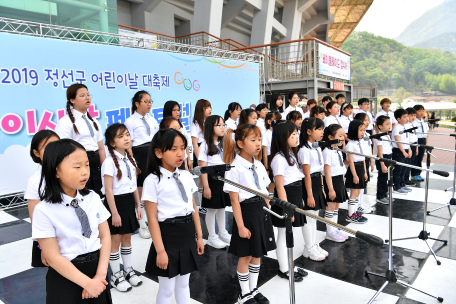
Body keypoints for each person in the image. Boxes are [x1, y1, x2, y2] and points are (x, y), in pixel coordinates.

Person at [32, 139, 112, 303]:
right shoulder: (44, 210)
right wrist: (87, 283)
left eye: (87, 165)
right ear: (56, 171)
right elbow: (53, 257)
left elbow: (105, 236)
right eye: (77, 166)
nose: (85, 172)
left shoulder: (93, 198)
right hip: (66, 276)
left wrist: (100, 275)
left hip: (98, 270)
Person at [142, 129, 204, 304]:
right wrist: (160, 251)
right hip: (167, 236)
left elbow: (193, 208)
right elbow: (152, 218)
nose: (180, 153)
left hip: (186, 233)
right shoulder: (152, 181)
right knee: (167, 287)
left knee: (184, 283)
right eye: (173, 149)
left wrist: (199, 236)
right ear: (159, 152)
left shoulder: (185, 175)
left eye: (183, 148)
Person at [223, 124, 275, 304]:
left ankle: (253, 288)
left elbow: (266, 191)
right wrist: (241, 226)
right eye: (253, 140)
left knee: (257, 254)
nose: (258, 144)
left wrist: (268, 212)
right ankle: (244, 293)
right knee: (245, 255)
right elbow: (235, 201)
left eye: (259, 140)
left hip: (261, 212)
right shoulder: (234, 168)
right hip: (246, 215)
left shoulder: (259, 164)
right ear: (240, 143)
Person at [101, 123, 143, 292]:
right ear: (112, 143)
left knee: (127, 238)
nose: (126, 138)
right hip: (115, 205)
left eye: (127, 134)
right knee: (115, 240)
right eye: (120, 136)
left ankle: (127, 269)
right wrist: (114, 213)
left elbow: (133, 186)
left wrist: (138, 206)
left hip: (128, 203)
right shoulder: (109, 162)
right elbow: (108, 190)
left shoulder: (130, 160)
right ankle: (115, 275)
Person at [270, 121, 310, 277]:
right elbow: (279, 186)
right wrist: (287, 207)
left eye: (296, 134)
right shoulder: (279, 159)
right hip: (285, 197)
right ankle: (284, 268)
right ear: (282, 137)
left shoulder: (290, 153)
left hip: (294, 194)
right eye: (292, 135)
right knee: (283, 234)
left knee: (290, 234)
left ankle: (289, 265)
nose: (296, 137)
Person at [55, 83, 105, 196]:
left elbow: (101, 149)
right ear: (72, 100)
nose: (87, 98)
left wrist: (105, 170)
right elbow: (64, 151)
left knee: (98, 199)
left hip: (96, 169)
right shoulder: (65, 121)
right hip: (79, 168)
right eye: (82, 95)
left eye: (88, 95)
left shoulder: (94, 121)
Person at [124, 90, 159, 239]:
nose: (149, 104)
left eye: (150, 101)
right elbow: (129, 144)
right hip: (139, 156)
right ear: (137, 104)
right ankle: (142, 225)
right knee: (140, 192)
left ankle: (154, 222)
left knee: (153, 189)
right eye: (146, 101)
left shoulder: (152, 119)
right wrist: (133, 161)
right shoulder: (130, 121)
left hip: (153, 155)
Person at [25, 130, 60, 268]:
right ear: (36, 153)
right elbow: (35, 218)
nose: (54, 150)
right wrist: (44, 247)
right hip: (52, 237)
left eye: (57, 145)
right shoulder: (34, 181)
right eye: (47, 147)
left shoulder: (71, 171)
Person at [199, 115, 232, 249]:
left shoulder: (223, 143)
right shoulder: (205, 145)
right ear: (210, 128)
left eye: (223, 125)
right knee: (212, 209)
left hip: (223, 179)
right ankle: (212, 236)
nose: (222, 127)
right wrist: (206, 187)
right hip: (212, 180)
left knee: (222, 207)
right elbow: (203, 168)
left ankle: (222, 232)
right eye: (219, 125)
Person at [298, 118, 328, 261]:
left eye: (322, 129)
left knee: (314, 217)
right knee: (308, 219)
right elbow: (306, 175)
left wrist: (321, 188)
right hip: (308, 184)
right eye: (319, 129)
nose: (322, 132)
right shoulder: (304, 150)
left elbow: (319, 171)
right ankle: (309, 247)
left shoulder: (317, 147)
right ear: (309, 131)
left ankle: (312, 245)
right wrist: (309, 195)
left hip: (316, 182)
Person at [321, 124, 349, 242]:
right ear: (330, 137)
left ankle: (335, 228)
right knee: (331, 206)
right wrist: (331, 189)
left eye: (343, 135)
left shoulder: (336, 150)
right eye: (340, 135)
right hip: (331, 182)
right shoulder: (327, 151)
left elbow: (341, 167)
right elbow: (327, 172)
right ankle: (330, 231)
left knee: (337, 206)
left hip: (339, 180)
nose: (343, 138)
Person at [345, 120, 368, 223]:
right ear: (354, 130)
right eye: (360, 130)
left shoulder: (360, 142)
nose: (363, 132)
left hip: (360, 168)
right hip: (354, 169)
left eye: (364, 130)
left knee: (358, 192)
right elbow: (351, 161)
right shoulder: (350, 144)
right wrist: (354, 175)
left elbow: (363, 158)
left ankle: (355, 212)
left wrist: (365, 172)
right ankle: (350, 214)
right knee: (354, 193)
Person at [191, 99, 212, 212]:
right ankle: (202, 205)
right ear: (200, 110)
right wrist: (199, 158)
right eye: (207, 108)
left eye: (210, 107)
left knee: (208, 179)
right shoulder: (196, 124)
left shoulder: (209, 122)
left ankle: (207, 203)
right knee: (202, 180)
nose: (210, 110)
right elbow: (194, 142)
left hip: (209, 151)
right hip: (200, 151)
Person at [353, 113, 374, 215]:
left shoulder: (367, 135)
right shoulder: (358, 138)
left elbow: (369, 150)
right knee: (359, 185)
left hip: (365, 159)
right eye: (364, 120)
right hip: (360, 160)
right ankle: (358, 204)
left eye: (368, 120)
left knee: (363, 183)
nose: (367, 122)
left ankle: (360, 202)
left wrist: (371, 161)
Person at [163, 100, 193, 170]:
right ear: (168, 111)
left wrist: (188, 160)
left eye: (178, 110)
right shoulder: (164, 126)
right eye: (174, 110)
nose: (177, 112)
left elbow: (185, 145)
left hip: (182, 160)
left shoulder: (182, 125)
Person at [392, 109, 412, 194]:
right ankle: (396, 187)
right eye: (404, 117)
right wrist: (403, 151)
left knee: (404, 169)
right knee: (398, 169)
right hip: (399, 151)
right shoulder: (397, 128)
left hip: (406, 149)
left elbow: (407, 141)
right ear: (398, 119)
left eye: (407, 116)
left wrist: (409, 150)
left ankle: (402, 184)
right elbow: (398, 141)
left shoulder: (405, 127)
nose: (407, 118)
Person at [374, 116, 393, 204]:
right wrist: (382, 164)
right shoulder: (379, 137)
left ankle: (385, 194)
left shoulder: (387, 135)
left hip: (388, 157)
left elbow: (389, 148)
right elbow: (380, 152)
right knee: (382, 178)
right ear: (380, 126)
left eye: (390, 124)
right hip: (382, 159)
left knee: (386, 178)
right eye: (387, 124)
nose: (389, 126)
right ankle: (380, 196)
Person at [411, 105, 429, 181]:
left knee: (420, 158)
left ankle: (418, 173)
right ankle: (414, 174)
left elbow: (426, 134)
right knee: (415, 158)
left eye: (423, 111)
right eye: (419, 111)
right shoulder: (413, 122)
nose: (422, 112)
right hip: (416, 140)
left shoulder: (424, 121)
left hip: (423, 140)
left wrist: (426, 144)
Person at [404, 107, 418, 187]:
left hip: (414, 145)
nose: (413, 117)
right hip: (408, 145)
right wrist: (410, 149)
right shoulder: (406, 126)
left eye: (414, 115)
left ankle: (407, 178)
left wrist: (416, 148)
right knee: (407, 163)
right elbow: (407, 138)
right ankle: (405, 179)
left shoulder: (414, 124)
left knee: (411, 162)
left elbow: (416, 137)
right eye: (410, 115)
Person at [262, 112, 275, 195]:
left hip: (276, 157)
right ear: (269, 122)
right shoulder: (266, 134)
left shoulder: (277, 133)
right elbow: (265, 153)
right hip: (270, 158)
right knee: (271, 181)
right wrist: (266, 166)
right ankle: (269, 197)